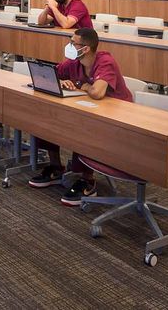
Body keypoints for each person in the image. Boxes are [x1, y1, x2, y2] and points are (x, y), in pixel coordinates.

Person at [27, 27, 132, 206]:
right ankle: (55, 167)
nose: (69, 46)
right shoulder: (74, 62)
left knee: (83, 125)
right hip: (91, 109)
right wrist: (62, 81)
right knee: (48, 115)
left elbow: (97, 93)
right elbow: (53, 74)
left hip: (118, 114)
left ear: (86, 48)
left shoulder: (105, 61)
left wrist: (82, 86)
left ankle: (87, 179)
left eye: (73, 43)